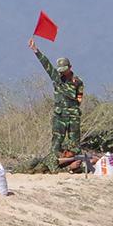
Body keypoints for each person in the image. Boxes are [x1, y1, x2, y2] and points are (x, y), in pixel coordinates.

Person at [31, 37, 86, 165]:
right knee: (57, 141)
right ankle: (53, 164)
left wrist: (73, 106)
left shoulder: (77, 82)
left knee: (74, 142)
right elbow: (47, 65)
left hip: (73, 115)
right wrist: (36, 50)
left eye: (65, 70)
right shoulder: (57, 78)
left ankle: (75, 165)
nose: (63, 72)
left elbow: (79, 97)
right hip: (60, 115)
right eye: (61, 70)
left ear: (70, 67)